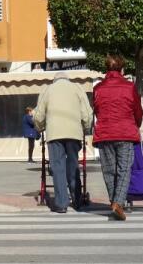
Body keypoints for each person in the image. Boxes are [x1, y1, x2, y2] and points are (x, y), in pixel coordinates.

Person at [34, 72, 93, 213]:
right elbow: (87, 114)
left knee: (57, 166)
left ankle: (61, 203)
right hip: (74, 133)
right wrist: (85, 127)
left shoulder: (47, 90)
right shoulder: (77, 88)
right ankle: (77, 199)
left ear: (54, 80)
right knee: (73, 164)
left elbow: (39, 115)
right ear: (68, 79)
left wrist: (39, 127)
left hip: (54, 133)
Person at [93, 55, 143, 221]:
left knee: (109, 170)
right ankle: (118, 203)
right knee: (124, 169)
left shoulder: (98, 88)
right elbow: (137, 110)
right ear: (122, 69)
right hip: (124, 132)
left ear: (107, 69)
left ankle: (114, 202)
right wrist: (136, 124)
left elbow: (97, 110)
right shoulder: (129, 87)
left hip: (105, 133)